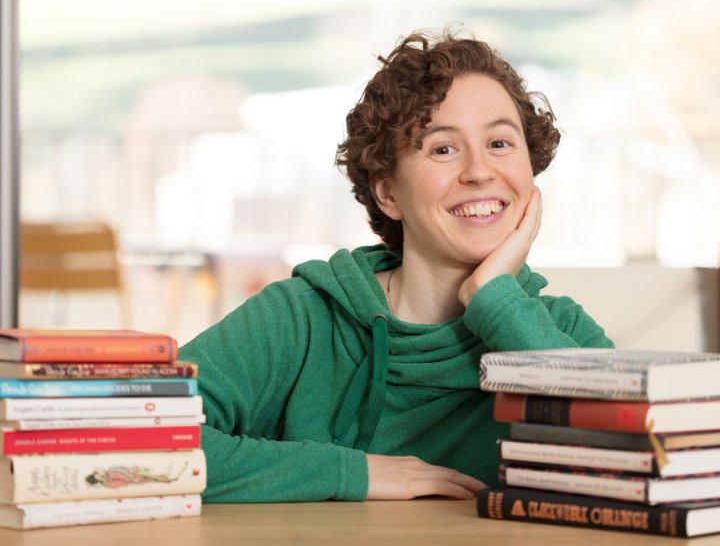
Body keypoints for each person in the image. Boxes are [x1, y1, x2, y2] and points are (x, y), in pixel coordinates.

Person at [178, 27, 613, 503]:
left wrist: (496, 299)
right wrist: (351, 474)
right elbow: (144, 440)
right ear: (389, 192)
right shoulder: (299, 320)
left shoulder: (558, 332)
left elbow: (639, 464)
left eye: (501, 144)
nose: (480, 171)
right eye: (443, 149)